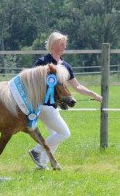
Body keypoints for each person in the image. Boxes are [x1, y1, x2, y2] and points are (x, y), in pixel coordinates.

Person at [28, 31, 102, 170]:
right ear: (52, 45)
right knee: (64, 133)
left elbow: (77, 86)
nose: (63, 47)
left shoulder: (66, 66)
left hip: (54, 106)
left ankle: (41, 164)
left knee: (56, 135)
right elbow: (31, 82)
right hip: (43, 105)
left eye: (64, 44)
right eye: (60, 44)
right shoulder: (42, 62)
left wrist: (94, 94)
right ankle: (37, 151)